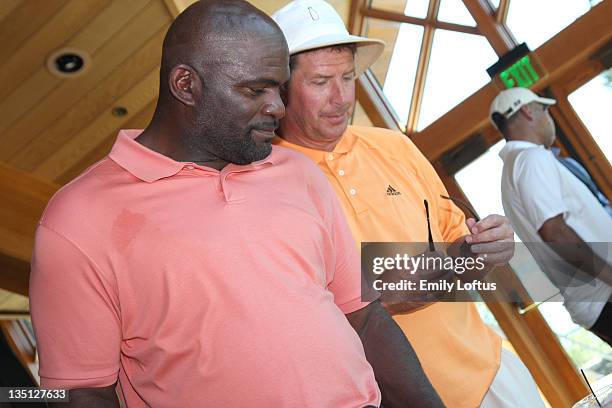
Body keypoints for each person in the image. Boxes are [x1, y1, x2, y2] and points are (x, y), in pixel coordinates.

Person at [28, 1, 444, 407]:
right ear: (185, 85)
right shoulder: (79, 219)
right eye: (255, 89)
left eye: (279, 88)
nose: (278, 108)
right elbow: (81, 391)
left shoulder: (298, 172)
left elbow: (364, 316)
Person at [272, 1, 545, 407]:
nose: (340, 97)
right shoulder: (269, 189)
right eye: (320, 82)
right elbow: (332, 309)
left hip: (491, 371)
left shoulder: (393, 146)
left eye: (347, 77)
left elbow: (456, 242)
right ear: (279, 90)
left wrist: (487, 247)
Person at [491, 87, 612, 345]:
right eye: (544, 109)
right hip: (604, 295)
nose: (550, 118)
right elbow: (554, 233)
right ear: (527, 111)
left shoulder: (517, 167)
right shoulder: (530, 159)